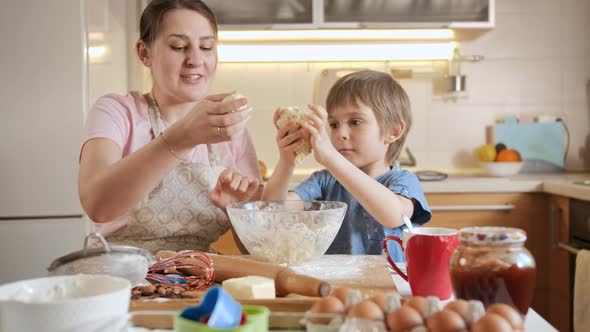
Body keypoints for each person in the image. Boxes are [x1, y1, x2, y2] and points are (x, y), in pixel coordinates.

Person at [78, 0, 261, 253]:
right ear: (144, 53)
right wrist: (179, 139)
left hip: (200, 275)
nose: (196, 59)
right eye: (179, 46)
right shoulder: (117, 112)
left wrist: (237, 212)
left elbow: (254, 249)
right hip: (124, 274)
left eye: (206, 46)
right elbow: (97, 205)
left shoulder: (229, 129)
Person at [262, 70, 432, 262]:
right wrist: (287, 161)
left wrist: (332, 159)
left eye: (355, 122)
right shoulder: (324, 181)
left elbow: (393, 215)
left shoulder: (403, 181)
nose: (340, 133)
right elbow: (273, 210)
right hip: (332, 287)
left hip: (388, 286)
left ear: (393, 131)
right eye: (334, 124)